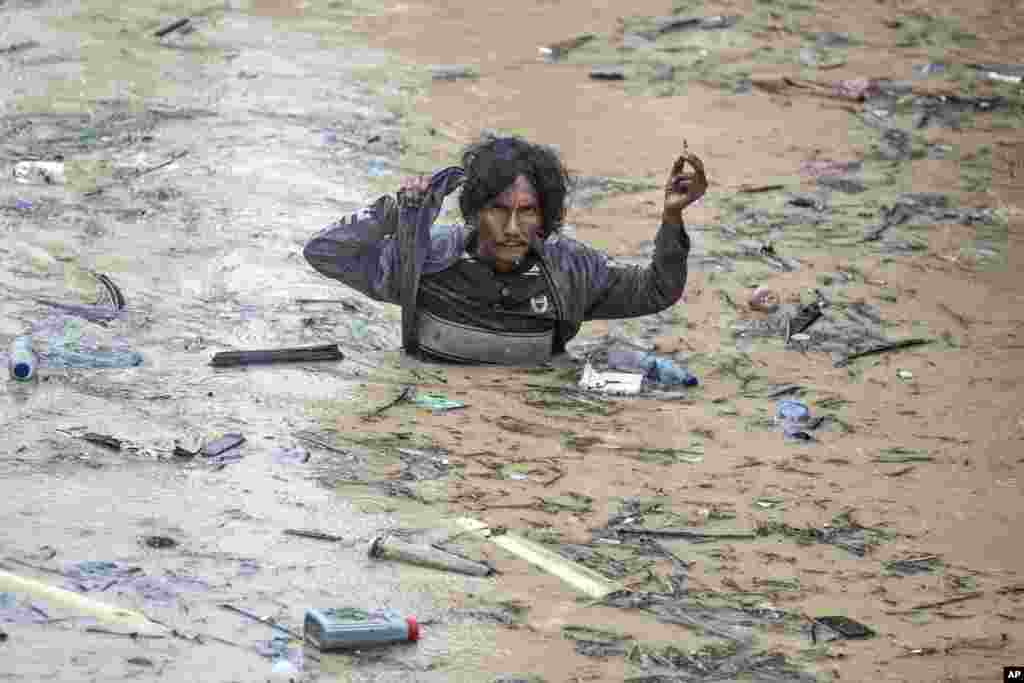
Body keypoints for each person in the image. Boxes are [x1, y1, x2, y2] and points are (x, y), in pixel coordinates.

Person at [303, 136, 707, 365]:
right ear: (475, 211)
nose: (513, 229)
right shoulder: (425, 259)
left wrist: (672, 217)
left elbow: (658, 290)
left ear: (544, 215)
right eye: (499, 210)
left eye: (527, 212)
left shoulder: (571, 272)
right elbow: (324, 253)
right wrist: (392, 212)